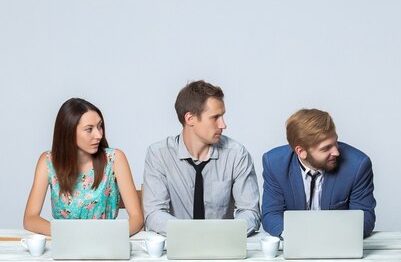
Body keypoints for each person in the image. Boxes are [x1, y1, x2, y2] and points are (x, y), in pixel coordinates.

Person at [143, 80, 260, 236]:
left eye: (223, 116)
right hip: (177, 245)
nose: (223, 125)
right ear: (190, 118)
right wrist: (192, 235)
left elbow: (250, 212)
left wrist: (218, 235)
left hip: (222, 244)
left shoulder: (237, 155)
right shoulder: (159, 155)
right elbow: (154, 214)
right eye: (215, 117)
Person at [23, 98, 143, 236]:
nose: (98, 135)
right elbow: (30, 219)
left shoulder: (115, 159)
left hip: (105, 244)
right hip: (66, 245)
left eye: (100, 126)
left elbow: (137, 218)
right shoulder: (48, 162)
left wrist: (110, 237)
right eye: (89, 129)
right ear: (69, 132)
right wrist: (70, 236)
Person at [262, 108, 376, 237]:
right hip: (295, 242)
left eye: (335, 142)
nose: (336, 152)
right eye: (326, 148)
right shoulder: (274, 164)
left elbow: (365, 219)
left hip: (338, 241)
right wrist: (294, 236)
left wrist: (327, 237)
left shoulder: (358, 165)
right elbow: (271, 214)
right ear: (301, 152)